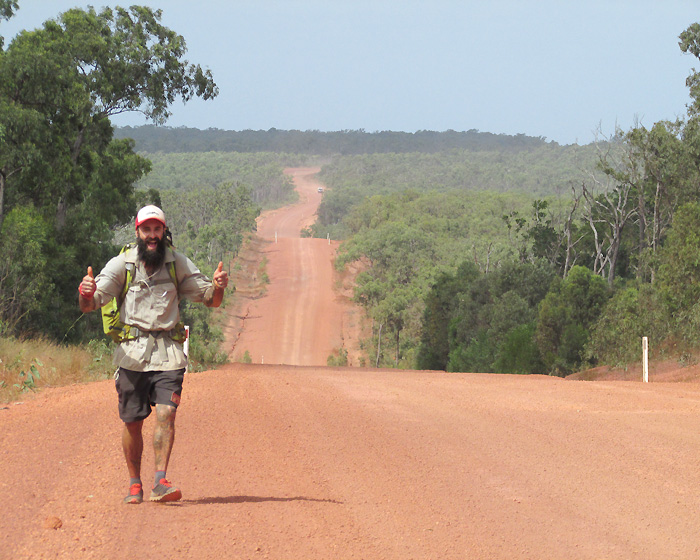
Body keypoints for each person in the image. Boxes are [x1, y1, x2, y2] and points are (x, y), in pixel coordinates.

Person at [78, 205, 230, 504]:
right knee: (133, 423)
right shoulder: (122, 264)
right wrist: (85, 292)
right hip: (132, 354)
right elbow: (91, 303)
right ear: (138, 232)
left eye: (156, 229)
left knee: (166, 413)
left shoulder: (177, 263)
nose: (152, 235)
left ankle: (160, 480)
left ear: (164, 231)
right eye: (146, 230)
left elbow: (210, 300)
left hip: (168, 353)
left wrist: (218, 286)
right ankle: (135, 485)